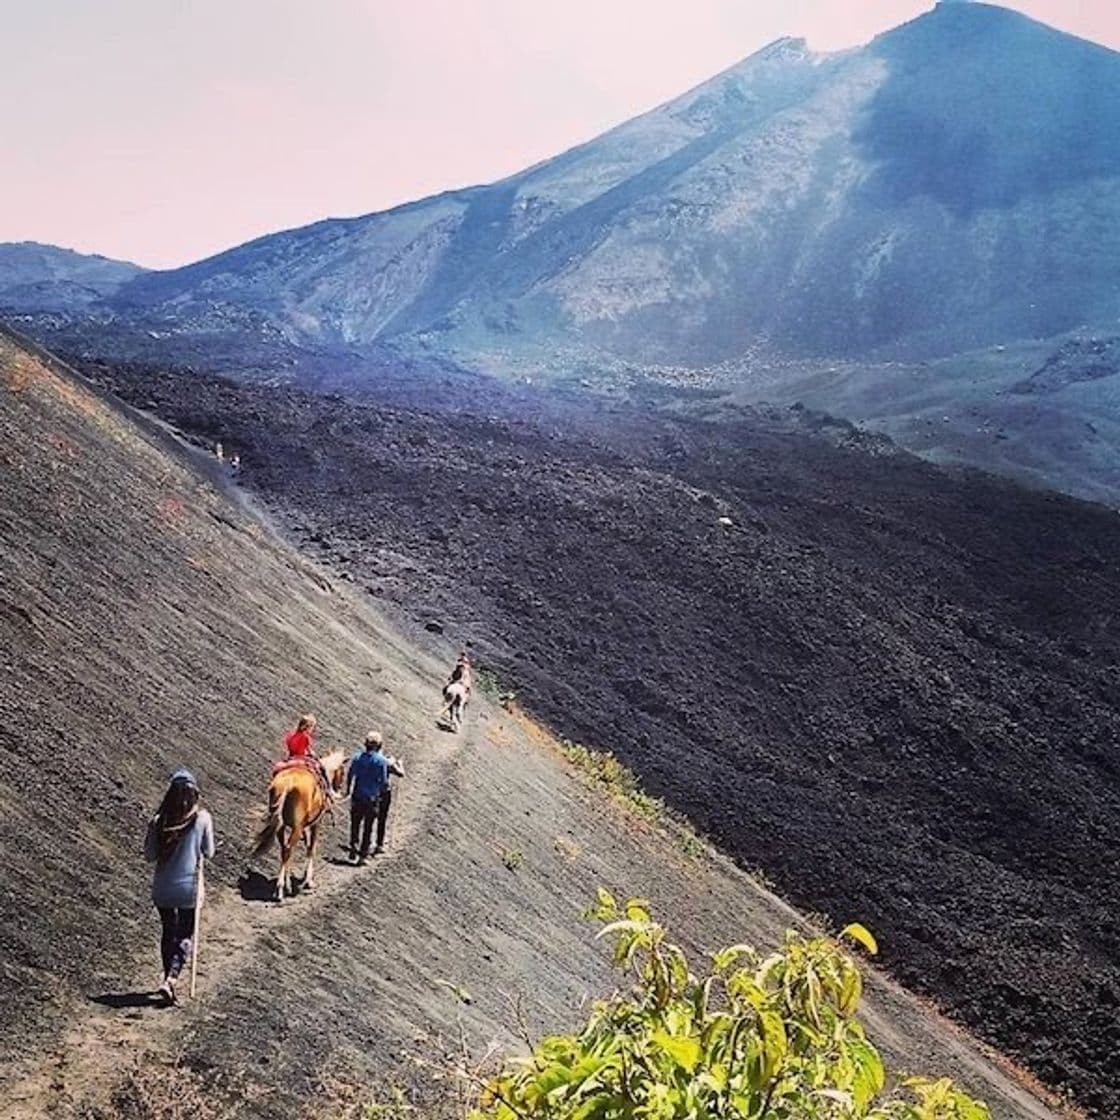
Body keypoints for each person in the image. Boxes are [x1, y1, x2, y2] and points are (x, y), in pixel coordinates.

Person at [144, 769, 215, 1005]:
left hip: (162, 889)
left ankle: (167, 979)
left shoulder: (157, 821)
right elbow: (209, 852)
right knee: (185, 934)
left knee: (168, 932)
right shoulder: (202, 819)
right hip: (189, 890)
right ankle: (172, 979)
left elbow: (150, 855)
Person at [346, 731, 404, 863]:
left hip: (357, 796)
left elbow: (350, 774)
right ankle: (363, 855)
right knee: (368, 826)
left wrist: (348, 789)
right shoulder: (382, 761)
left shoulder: (357, 757)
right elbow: (383, 781)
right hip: (372, 798)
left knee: (355, 823)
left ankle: (353, 846)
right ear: (379, 745)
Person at [284, 713, 334, 800]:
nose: (312, 729)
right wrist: (313, 755)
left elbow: (290, 746)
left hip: (291, 757)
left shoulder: (290, 734)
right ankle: (329, 791)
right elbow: (306, 750)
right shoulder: (305, 737)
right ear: (307, 726)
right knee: (322, 769)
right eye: (312, 727)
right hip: (301, 759)